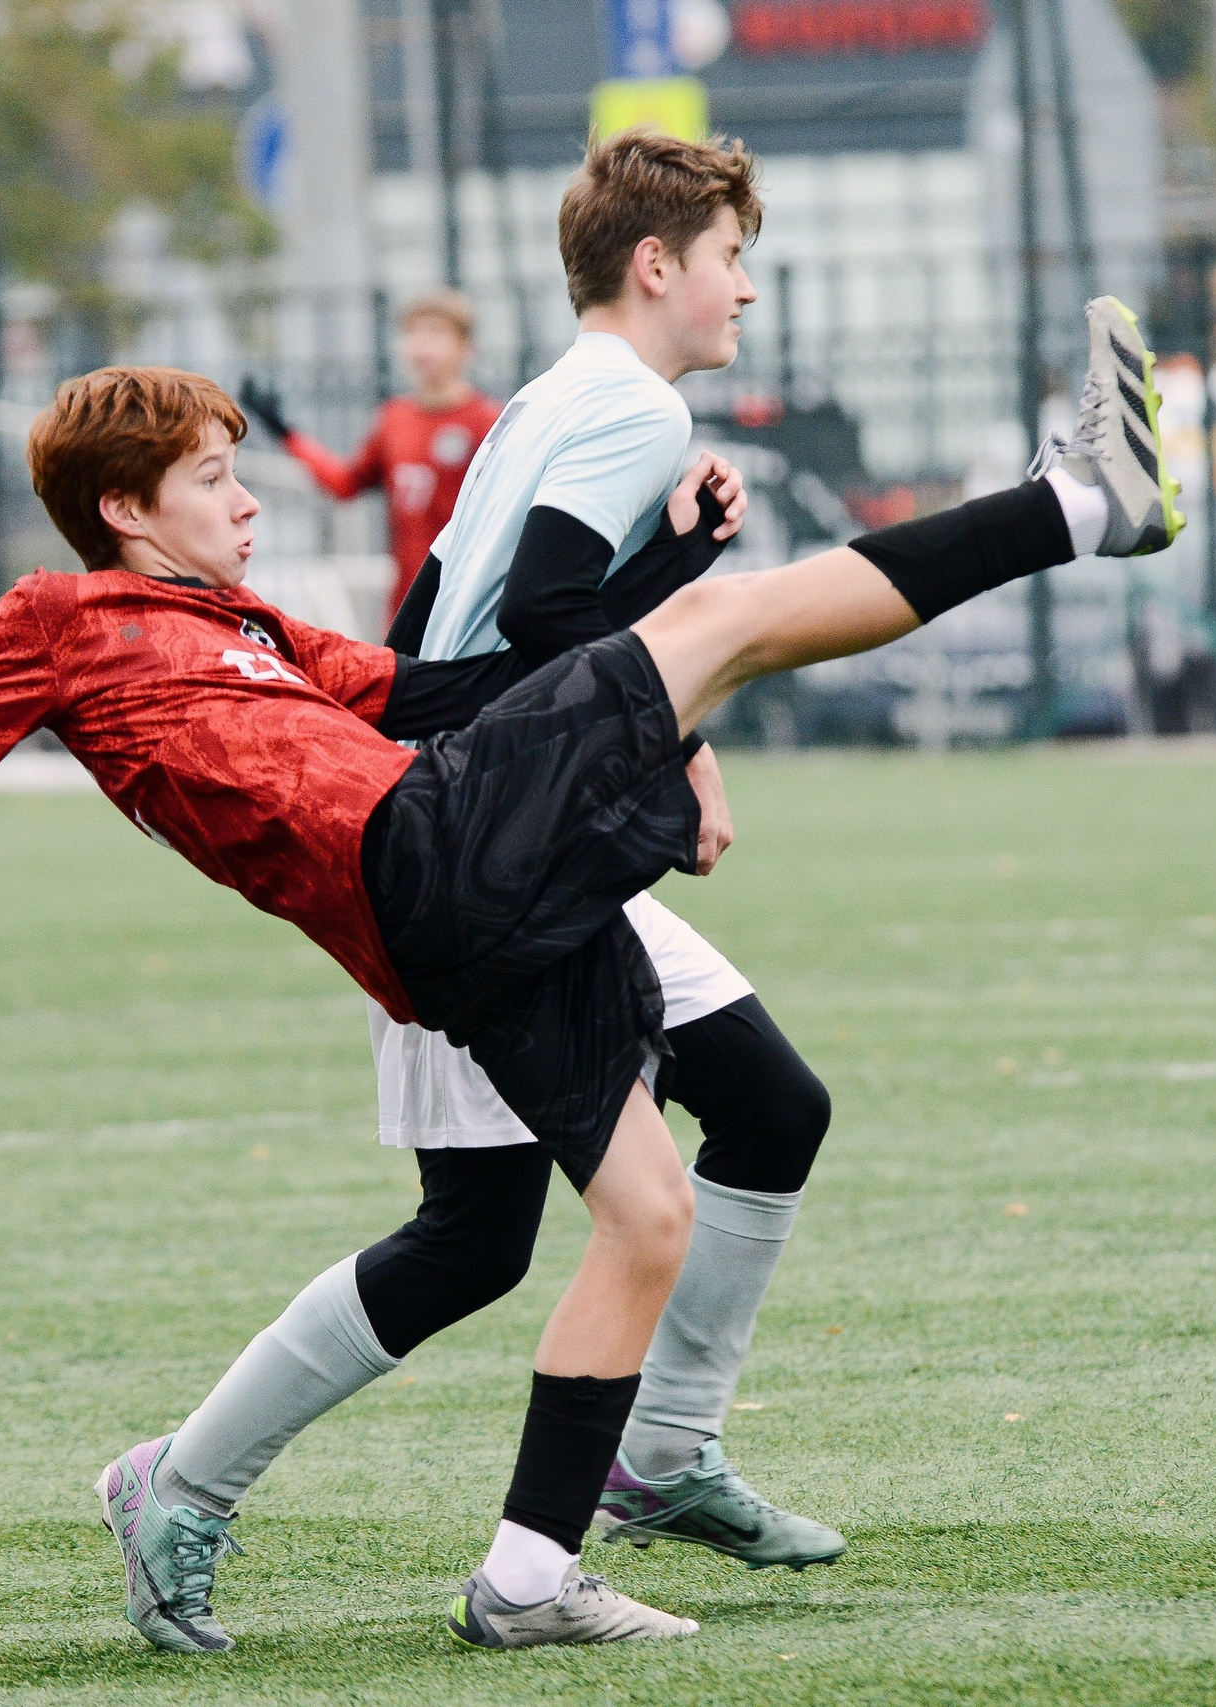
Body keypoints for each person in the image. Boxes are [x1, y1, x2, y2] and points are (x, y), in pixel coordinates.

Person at [0, 306, 1178, 1650]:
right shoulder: (60, 619)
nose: (249, 502)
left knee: (645, 1212)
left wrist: (650, 583)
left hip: (465, 894)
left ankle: (528, 1571)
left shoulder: (257, 624)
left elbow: (458, 681)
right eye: (217, 481)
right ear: (132, 511)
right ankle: (1073, 505)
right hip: (421, 861)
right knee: (735, 631)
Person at [377, 128, 845, 1575]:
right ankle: (184, 1478)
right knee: (470, 1238)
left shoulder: (553, 393)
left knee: (769, 1103)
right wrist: (683, 741)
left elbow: (492, 614)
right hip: (495, 846)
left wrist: (674, 572)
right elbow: (541, 619)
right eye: (730, 260)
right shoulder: (634, 409)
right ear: (660, 266)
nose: (745, 290)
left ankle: (670, 1450)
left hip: (474, 809)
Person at [241, 290, 502, 632]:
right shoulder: (393, 419)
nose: (422, 346)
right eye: (413, 334)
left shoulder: (488, 422)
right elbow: (345, 483)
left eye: (436, 334)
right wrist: (284, 431)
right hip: (408, 603)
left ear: (466, 348)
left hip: (470, 602)